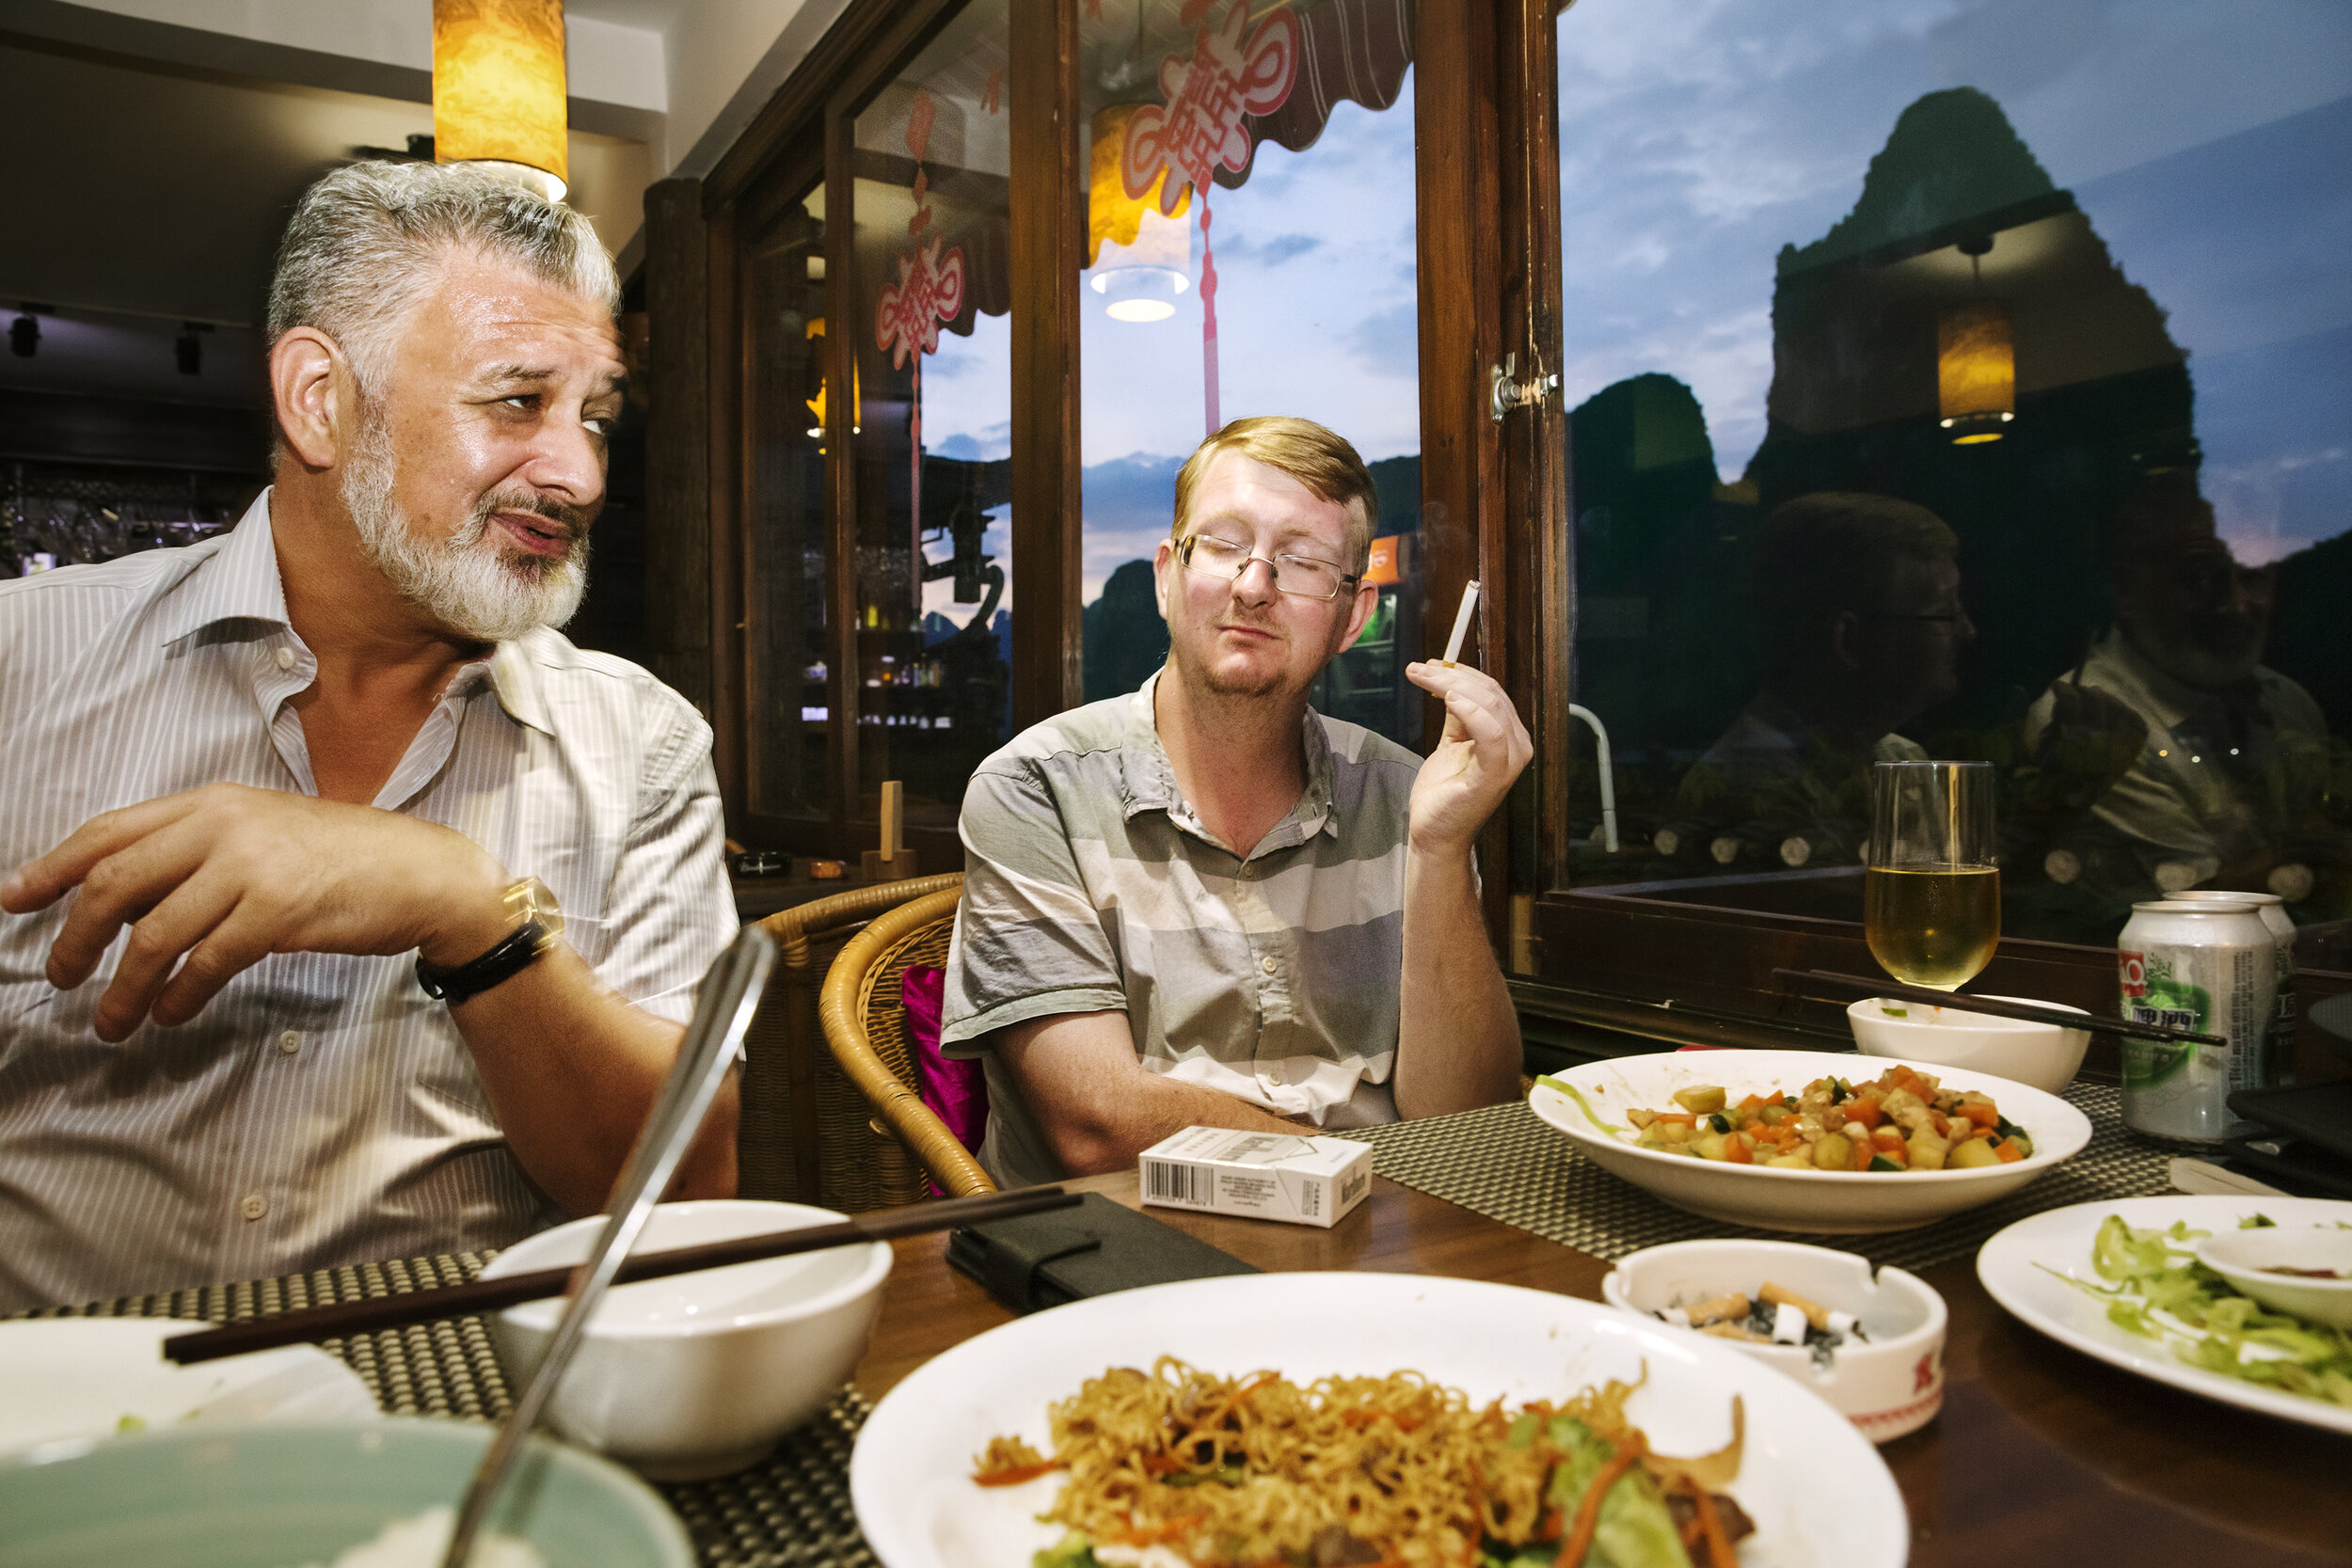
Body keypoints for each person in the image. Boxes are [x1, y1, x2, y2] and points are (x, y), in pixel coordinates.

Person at [0, 163, 737, 1311]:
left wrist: (466, 908)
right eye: (517, 401)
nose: (580, 472)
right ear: (319, 400)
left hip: (467, 1412)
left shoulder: (641, 742)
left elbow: (687, 1198)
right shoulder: (19, 665)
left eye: (595, 417)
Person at [939, 416, 1531, 1189]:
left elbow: (1470, 1125)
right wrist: (1358, 1176)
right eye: (1223, 544)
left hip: (1376, 1261)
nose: (1254, 586)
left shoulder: (1405, 796)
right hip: (1123, 1260)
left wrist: (1443, 849)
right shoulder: (1034, 788)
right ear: (1165, 577)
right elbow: (1094, 1126)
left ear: (1352, 616)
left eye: (1304, 560)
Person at [2023, 472, 2342, 904]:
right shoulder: (2095, 722)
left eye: (2255, 575)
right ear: (2126, 591)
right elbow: (2190, 900)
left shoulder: (2288, 702)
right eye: (2200, 577)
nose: (2235, 603)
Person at [1671, 491, 1975, 863]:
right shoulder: (1744, 785)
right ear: (1848, 639)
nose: (1967, 631)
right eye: (1944, 614)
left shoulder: (1904, 760)